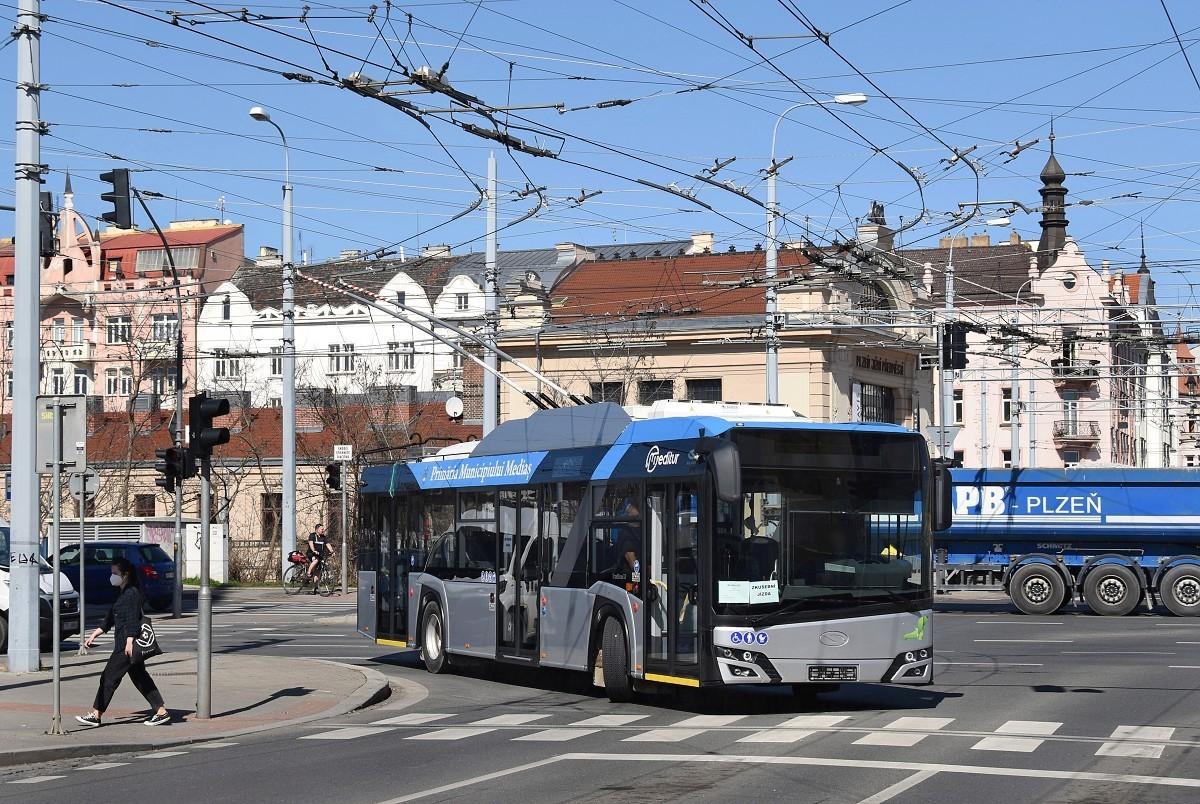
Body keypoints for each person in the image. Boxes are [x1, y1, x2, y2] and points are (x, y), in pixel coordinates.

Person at [75, 557, 169, 727]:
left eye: (115, 573)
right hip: (125, 642)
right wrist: (94, 635)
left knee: (109, 677)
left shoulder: (131, 593)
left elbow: (133, 619)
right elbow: (110, 618)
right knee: (140, 678)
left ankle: (96, 714)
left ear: (125, 575)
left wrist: (129, 641)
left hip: (126, 645)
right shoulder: (122, 593)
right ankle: (161, 711)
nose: (112, 576)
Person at [307, 524, 334, 594]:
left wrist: (332, 551)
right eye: (321, 529)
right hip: (311, 554)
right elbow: (311, 544)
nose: (323, 530)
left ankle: (315, 588)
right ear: (317, 529)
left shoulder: (323, 537)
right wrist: (313, 550)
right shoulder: (312, 535)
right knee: (315, 560)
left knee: (318, 572)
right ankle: (309, 572)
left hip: (320, 555)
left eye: (323, 529)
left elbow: (328, 544)